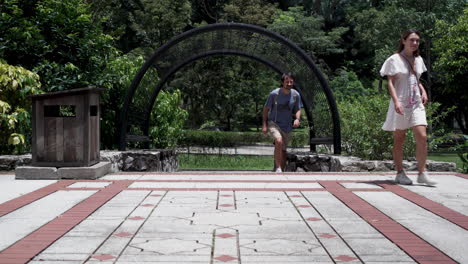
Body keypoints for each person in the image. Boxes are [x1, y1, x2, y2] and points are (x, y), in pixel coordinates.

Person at [380, 29, 436, 186]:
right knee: (399, 138)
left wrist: (423, 90)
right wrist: (396, 101)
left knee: (422, 137)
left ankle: (422, 173)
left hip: (416, 103)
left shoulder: (418, 60)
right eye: (412, 40)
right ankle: (399, 173)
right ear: (403, 40)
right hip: (401, 103)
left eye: (417, 40)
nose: (415, 43)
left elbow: (416, 79)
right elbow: (390, 82)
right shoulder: (394, 60)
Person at [262, 73, 303, 173]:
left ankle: (280, 171)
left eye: (291, 82)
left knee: (283, 151)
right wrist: (264, 125)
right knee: (278, 141)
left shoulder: (295, 94)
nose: (289, 84)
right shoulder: (274, 94)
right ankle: (278, 168)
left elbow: (298, 109)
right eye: (287, 81)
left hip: (287, 125)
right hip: (274, 123)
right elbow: (266, 109)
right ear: (282, 82)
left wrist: (297, 119)